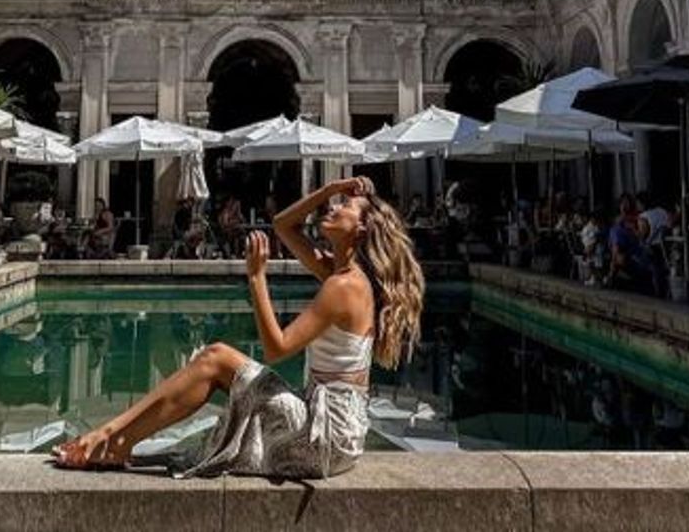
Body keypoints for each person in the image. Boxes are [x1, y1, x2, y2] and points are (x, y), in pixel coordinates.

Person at [53, 176, 424, 476]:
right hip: (336, 432)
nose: (334, 207)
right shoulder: (342, 273)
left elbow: (277, 348)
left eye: (344, 206)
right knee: (213, 358)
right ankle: (113, 438)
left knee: (215, 358)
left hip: (324, 437)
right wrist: (331, 188)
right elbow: (282, 225)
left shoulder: (343, 286)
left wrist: (256, 278)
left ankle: (112, 439)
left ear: (360, 230)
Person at [608, 194, 652, 294]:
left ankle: (611, 275)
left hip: (637, 251)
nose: (625, 205)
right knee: (616, 234)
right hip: (626, 249)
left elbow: (641, 235)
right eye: (623, 203)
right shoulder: (618, 222)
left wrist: (632, 228)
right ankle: (612, 274)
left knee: (617, 251)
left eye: (627, 203)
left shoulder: (638, 217)